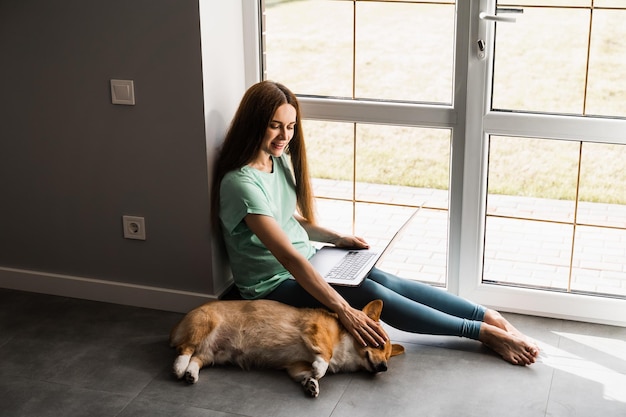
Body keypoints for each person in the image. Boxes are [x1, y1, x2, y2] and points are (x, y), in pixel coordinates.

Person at [210, 80, 540, 366]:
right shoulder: (240, 184)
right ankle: (481, 333)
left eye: (291, 126)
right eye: (275, 125)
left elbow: (286, 218)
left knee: (380, 277)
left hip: (307, 260)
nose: (285, 135)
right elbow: (288, 258)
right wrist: (344, 309)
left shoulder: (273, 159)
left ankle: (486, 315)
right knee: (367, 291)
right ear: (255, 124)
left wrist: (336, 238)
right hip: (272, 283)